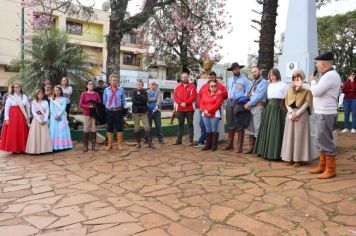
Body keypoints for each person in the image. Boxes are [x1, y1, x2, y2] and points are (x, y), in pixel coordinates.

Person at [309, 52, 341, 179]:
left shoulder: (330, 76)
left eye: (317, 64)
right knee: (320, 139)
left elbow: (316, 92)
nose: (316, 66)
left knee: (325, 141)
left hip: (326, 113)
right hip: (322, 112)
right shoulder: (328, 75)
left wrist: (312, 82)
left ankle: (330, 169)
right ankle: (322, 166)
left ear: (323, 64)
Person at [253, 68, 288, 160]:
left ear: (277, 75)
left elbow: (287, 98)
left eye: (273, 75)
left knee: (277, 130)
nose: (272, 77)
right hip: (269, 108)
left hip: (279, 109)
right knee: (268, 129)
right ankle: (265, 151)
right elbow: (268, 98)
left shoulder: (284, 85)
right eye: (270, 75)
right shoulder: (270, 85)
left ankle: (277, 153)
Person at [281, 69, 313, 167]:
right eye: (294, 77)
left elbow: (307, 103)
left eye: (298, 77)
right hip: (290, 115)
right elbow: (286, 102)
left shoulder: (307, 89)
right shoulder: (289, 89)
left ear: (302, 78)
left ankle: (298, 160)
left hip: (301, 115)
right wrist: (291, 112)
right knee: (289, 136)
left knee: (299, 137)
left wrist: (297, 113)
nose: (295, 79)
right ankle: (289, 158)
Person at [224, 62, 251, 153]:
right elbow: (229, 90)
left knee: (239, 123)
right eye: (234, 69)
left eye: (237, 68)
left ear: (239, 69)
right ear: (232, 70)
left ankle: (239, 146)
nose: (236, 70)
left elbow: (248, 92)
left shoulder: (245, 80)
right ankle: (230, 144)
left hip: (239, 103)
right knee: (230, 123)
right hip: (230, 102)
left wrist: (243, 100)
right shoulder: (230, 80)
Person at [196, 71, 228, 148]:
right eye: (209, 77)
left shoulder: (220, 86)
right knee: (203, 125)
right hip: (204, 110)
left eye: (212, 77)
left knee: (214, 127)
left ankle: (212, 145)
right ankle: (204, 142)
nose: (211, 79)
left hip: (214, 110)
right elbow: (200, 96)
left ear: (215, 77)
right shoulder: (204, 86)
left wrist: (222, 93)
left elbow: (225, 96)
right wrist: (201, 107)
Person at [244, 66, 268, 154]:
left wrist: (249, 103)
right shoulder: (251, 83)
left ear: (260, 72)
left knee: (258, 128)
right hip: (250, 108)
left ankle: (259, 149)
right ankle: (251, 147)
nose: (254, 73)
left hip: (258, 107)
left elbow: (259, 96)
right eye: (252, 72)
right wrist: (247, 102)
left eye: (255, 71)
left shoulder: (264, 82)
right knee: (250, 128)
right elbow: (248, 94)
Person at [0, 83, 30, 153]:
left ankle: (23, 148)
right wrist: (6, 118)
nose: (17, 88)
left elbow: (27, 107)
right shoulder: (10, 97)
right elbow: (7, 108)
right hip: (13, 117)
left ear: (21, 88)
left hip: (23, 116)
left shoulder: (24, 96)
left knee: (22, 131)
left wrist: (28, 116)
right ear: (13, 88)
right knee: (14, 132)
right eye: (15, 87)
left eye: (18, 87)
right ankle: (14, 149)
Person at [103, 74, 126, 151]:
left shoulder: (121, 90)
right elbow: (104, 101)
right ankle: (110, 145)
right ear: (110, 81)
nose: (115, 81)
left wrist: (123, 109)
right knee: (110, 128)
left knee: (119, 127)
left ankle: (120, 144)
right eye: (114, 80)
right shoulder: (106, 90)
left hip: (118, 111)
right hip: (109, 111)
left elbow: (123, 101)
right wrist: (109, 107)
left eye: (116, 80)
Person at [173, 72, 197, 146]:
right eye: (184, 77)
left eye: (186, 77)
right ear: (181, 78)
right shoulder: (177, 87)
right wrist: (181, 103)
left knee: (190, 124)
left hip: (189, 109)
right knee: (180, 125)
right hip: (180, 109)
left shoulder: (192, 87)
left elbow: (193, 97)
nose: (185, 78)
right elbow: (175, 97)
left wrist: (185, 103)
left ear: (188, 77)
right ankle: (178, 140)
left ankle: (190, 140)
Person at [25, 90, 52, 154]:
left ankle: (44, 149)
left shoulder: (45, 102)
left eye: (41, 94)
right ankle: (35, 150)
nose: (40, 95)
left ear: (43, 95)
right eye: (38, 94)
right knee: (36, 134)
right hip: (36, 120)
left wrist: (45, 119)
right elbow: (33, 112)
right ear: (36, 95)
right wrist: (39, 120)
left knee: (44, 134)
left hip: (44, 119)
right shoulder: (34, 102)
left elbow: (47, 111)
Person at [200, 80, 224, 151]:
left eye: (215, 86)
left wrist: (209, 111)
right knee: (208, 129)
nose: (213, 87)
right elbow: (202, 103)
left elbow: (218, 104)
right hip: (205, 114)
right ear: (209, 87)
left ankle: (214, 146)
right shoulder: (205, 94)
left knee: (214, 130)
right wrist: (205, 111)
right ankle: (208, 145)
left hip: (214, 114)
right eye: (212, 86)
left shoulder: (219, 94)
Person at [79, 80, 102, 152]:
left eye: (92, 84)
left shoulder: (96, 94)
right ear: (87, 85)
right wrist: (88, 106)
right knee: (86, 129)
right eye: (89, 84)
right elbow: (81, 104)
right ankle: (85, 146)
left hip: (94, 114)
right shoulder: (84, 94)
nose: (91, 85)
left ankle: (94, 145)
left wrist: (95, 105)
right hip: (86, 114)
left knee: (94, 129)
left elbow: (100, 103)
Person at [49, 86, 73, 151]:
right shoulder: (52, 99)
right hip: (54, 117)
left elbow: (63, 108)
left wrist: (59, 114)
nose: (56, 91)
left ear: (60, 91)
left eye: (58, 90)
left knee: (62, 130)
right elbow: (51, 109)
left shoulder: (64, 99)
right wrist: (55, 115)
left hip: (62, 116)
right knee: (54, 130)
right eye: (55, 90)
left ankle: (63, 145)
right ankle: (54, 146)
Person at [132, 79, 153, 148]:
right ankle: (138, 143)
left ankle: (150, 142)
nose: (138, 85)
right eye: (137, 84)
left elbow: (145, 100)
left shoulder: (144, 92)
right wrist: (141, 102)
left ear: (142, 85)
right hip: (135, 113)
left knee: (147, 127)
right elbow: (133, 101)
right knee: (137, 129)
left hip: (143, 113)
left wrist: (140, 94)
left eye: (140, 84)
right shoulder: (133, 92)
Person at [341, 69, 356, 134]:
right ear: (349, 75)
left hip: (354, 99)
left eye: (353, 74)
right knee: (346, 114)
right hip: (346, 99)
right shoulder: (346, 82)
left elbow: (354, 88)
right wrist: (351, 90)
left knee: (354, 114)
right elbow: (344, 90)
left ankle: (353, 128)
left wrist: (352, 81)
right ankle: (346, 128)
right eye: (351, 74)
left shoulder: (354, 81)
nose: (352, 75)